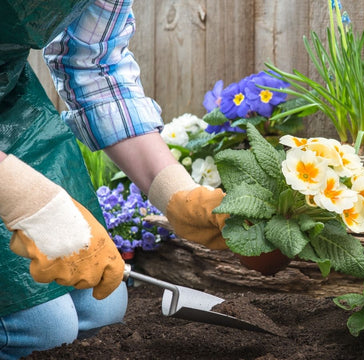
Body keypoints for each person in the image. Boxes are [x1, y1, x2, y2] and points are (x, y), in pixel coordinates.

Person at [0, 1, 228, 358]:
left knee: (101, 306)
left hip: (8, 102)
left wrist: (174, 191)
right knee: (41, 328)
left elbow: (94, 62)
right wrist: (22, 197)